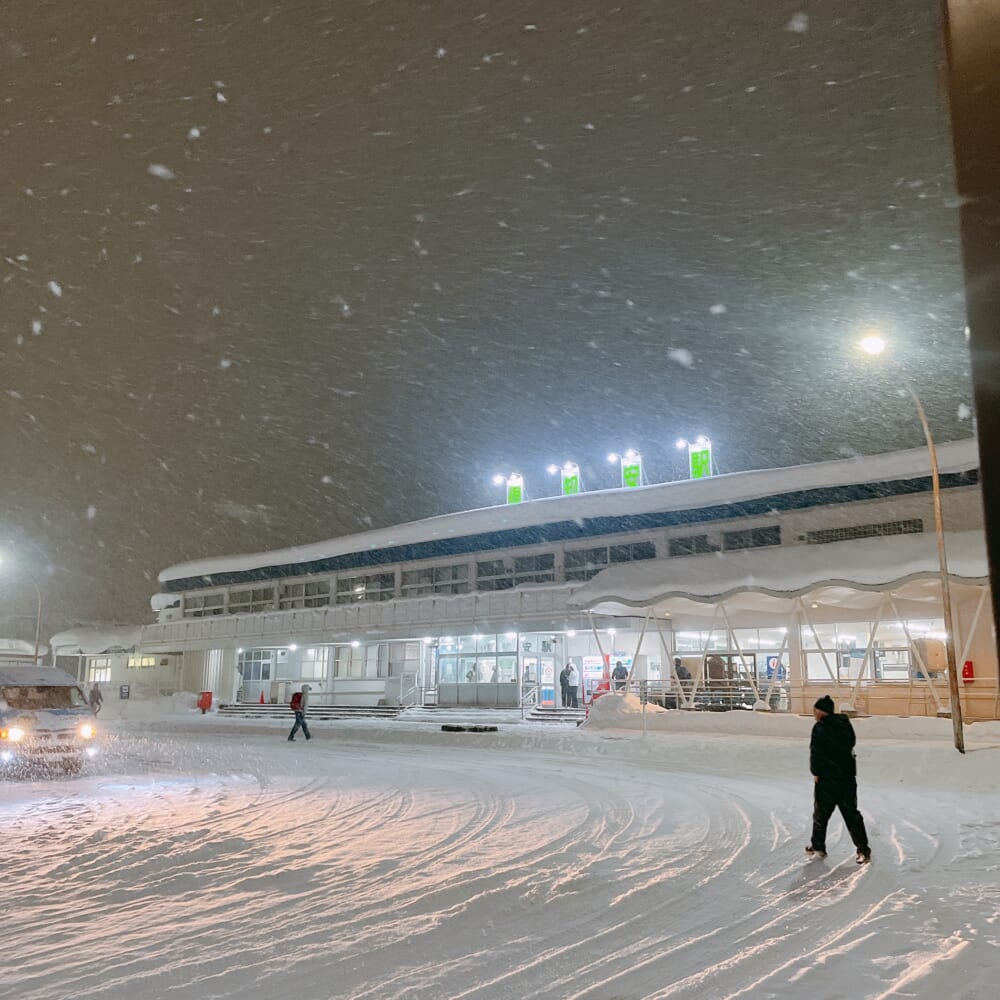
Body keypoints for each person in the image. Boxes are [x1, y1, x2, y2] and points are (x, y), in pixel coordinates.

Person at [806, 695, 871, 864]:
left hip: (827, 779)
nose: (813, 713)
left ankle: (818, 847)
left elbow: (816, 753)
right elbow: (850, 744)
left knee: (821, 814)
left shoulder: (819, 728)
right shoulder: (845, 724)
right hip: (847, 778)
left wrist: (816, 772)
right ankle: (863, 850)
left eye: (815, 710)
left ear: (821, 711)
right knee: (852, 815)